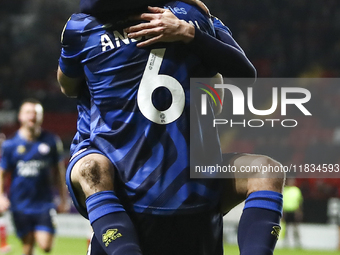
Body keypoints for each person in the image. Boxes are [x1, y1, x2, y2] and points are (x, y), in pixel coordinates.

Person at [58, 1, 284, 255]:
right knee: (93, 168)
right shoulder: (194, 16)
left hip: (168, 180)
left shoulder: (82, 26)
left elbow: (67, 86)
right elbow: (240, 78)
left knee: (266, 171)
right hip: (153, 176)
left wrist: (189, 34)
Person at [0, 99, 69, 255]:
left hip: (44, 203)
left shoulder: (51, 141)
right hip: (20, 203)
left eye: (36, 113)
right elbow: (2, 172)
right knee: (27, 246)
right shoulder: (10, 144)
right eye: (28, 112)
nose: (32, 116)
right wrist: (0, 196)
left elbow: (58, 171)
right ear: (20, 116)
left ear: (41, 117)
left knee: (45, 245)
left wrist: (64, 198)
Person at [282, 178, 303, 248]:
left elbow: (299, 202)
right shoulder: (285, 190)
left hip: (294, 211)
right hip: (286, 211)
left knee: (295, 228)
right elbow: (282, 202)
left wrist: (299, 211)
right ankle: (285, 243)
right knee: (286, 228)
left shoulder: (296, 190)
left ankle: (297, 243)